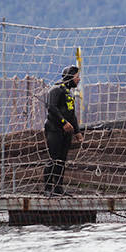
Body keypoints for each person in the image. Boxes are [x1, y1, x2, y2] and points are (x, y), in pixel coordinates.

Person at [43, 65, 84, 195]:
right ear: (70, 77)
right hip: (54, 129)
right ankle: (48, 189)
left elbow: (72, 114)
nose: (79, 79)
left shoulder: (69, 93)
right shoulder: (56, 89)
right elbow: (52, 108)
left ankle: (59, 188)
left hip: (66, 132)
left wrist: (77, 131)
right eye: (77, 77)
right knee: (54, 158)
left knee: (62, 160)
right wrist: (63, 122)